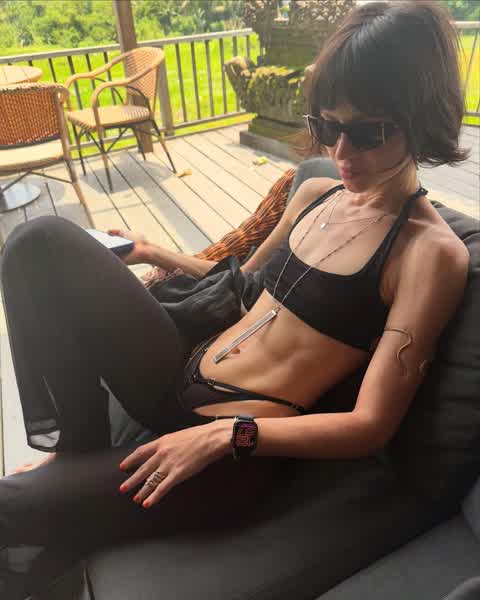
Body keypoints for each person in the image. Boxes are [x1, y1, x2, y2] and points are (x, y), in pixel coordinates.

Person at [0, 0, 471, 596]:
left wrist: (229, 435)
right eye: (329, 126)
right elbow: (241, 283)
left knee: (11, 506)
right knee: (38, 242)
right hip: (180, 367)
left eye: (368, 132)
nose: (341, 153)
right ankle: (80, 442)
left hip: (232, 449)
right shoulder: (318, 194)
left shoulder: (429, 254)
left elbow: (372, 424)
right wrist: (153, 251)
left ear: (421, 120)